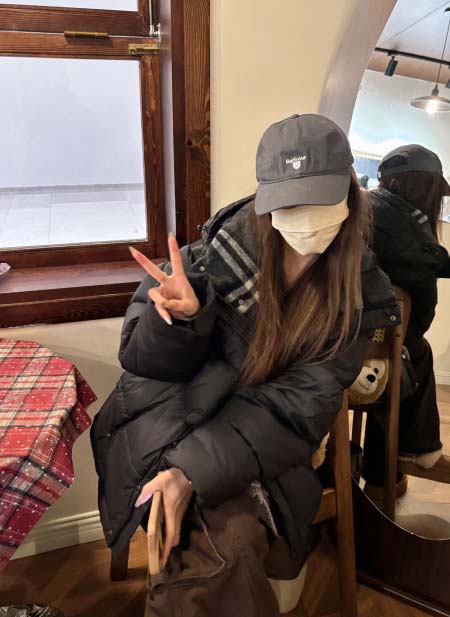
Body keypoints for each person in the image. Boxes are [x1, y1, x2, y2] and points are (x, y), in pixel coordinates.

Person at [91, 114, 399, 617]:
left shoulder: (359, 299)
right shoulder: (206, 261)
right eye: (290, 202)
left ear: (349, 189)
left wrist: (190, 471)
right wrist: (183, 322)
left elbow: (294, 409)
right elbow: (141, 363)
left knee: (217, 545)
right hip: (162, 419)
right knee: (219, 544)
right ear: (265, 199)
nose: (305, 217)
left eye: (319, 198)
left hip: (257, 441)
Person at [362, 144, 450, 496]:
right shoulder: (401, 221)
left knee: (402, 355)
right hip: (373, 340)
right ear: (420, 187)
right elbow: (429, 265)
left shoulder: (370, 207)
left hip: (357, 332)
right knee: (411, 355)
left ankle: (383, 473)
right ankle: (415, 450)